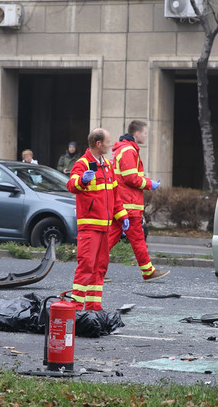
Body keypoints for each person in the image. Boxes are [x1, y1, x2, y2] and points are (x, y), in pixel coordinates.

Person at [67, 128, 129, 311]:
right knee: (86, 266)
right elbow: (71, 185)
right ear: (98, 143)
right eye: (108, 142)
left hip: (105, 227)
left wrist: (122, 215)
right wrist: (83, 181)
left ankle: (94, 307)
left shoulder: (108, 165)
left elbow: (115, 196)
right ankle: (76, 307)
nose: (110, 145)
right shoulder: (82, 163)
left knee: (100, 267)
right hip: (90, 226)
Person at [108, 120, 170, 282]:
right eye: (144, 133)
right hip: (128, 204)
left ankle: (93, 268)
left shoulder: (122, 149)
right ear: (137, 134)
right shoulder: (129, 151)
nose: (146, 136)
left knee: (110, 238)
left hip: (122, 203)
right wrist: (151, 184)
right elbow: (131, 178)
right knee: (137, 239)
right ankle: (148, 272)